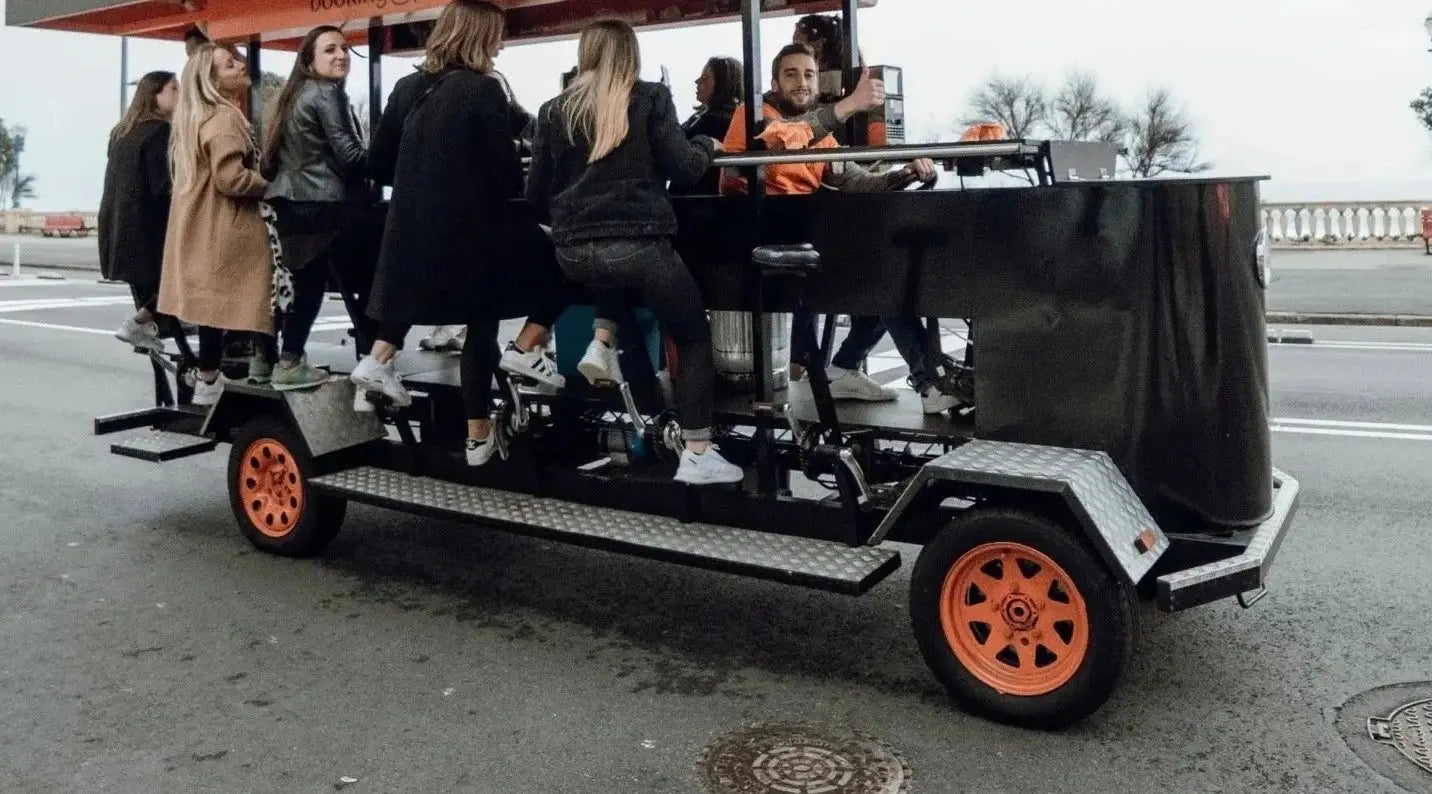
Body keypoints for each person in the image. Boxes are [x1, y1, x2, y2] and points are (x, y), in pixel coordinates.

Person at [527, 19, 743, 486]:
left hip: (572, 254)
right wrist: (706, 144)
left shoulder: (552, 111)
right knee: (692, 335)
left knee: (615, 290)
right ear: (631, 54)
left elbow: (536, 194)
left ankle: (613, 363)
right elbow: (685, 169)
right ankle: (697, 452)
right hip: (638, 246)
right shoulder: (649, 98)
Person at [356, 0, 567, 467]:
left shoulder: (407, 86)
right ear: (480, 36)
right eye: (497, 35)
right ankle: (514, 369)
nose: (502, 44)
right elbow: (504, 173)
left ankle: (381, 362)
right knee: (553, 271)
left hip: (412, 228)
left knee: (474, 314)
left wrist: (423, 177)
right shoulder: (483, 89)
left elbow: (378, 161)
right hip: (471, 230)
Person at [721, 43, 964, 415]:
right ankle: (929, 383)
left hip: (802, 242)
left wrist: (905, 174)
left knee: (894, 269)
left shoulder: (821, 133)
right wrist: (849, 105)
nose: (802, 83)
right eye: (791, 75)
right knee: (879, 275)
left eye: (809, 75)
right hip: (761, 245)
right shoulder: (756, 115)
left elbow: (856, 179)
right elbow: (786, 144)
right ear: (774, 83)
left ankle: (845, 367)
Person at [159, 43, 276, 406]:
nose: (240, 65)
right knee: (263, 295)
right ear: (212, 82)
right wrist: (272, 185)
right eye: (230, 65)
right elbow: (231, 178)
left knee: (212, 304)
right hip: (228, 225)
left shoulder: (194, 120)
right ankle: (271, 365)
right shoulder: (225, 118)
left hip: (201, 225)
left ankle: (209, 378)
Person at [257, 25, 368, 390]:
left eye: (345, 48)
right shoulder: (325, 92)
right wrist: (395, 159)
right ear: (309, 60)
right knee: (371, 276)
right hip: (322, 203)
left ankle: (270, 358)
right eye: (330, 49)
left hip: (290, 205)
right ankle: (368, 358)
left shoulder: (293, 94)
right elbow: (350, 156)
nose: (341, 55)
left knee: (303, 284)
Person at [100, 70, 177, 352]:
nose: (180, 95)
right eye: (174, 89)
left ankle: (144, 325)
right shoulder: (160, 131)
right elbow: (163, 186)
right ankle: (138, 322)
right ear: (155, 95)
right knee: (181, 278)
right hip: (148, 231)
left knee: (155, 293)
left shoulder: (121, 132)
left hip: (119, 228)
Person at [672, 56, 741, 196]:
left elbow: (679, 148)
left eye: (705, 78)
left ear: (722, 84)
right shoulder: (701, 116)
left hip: (698, 198)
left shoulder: (720, 121)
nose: (697, 82)